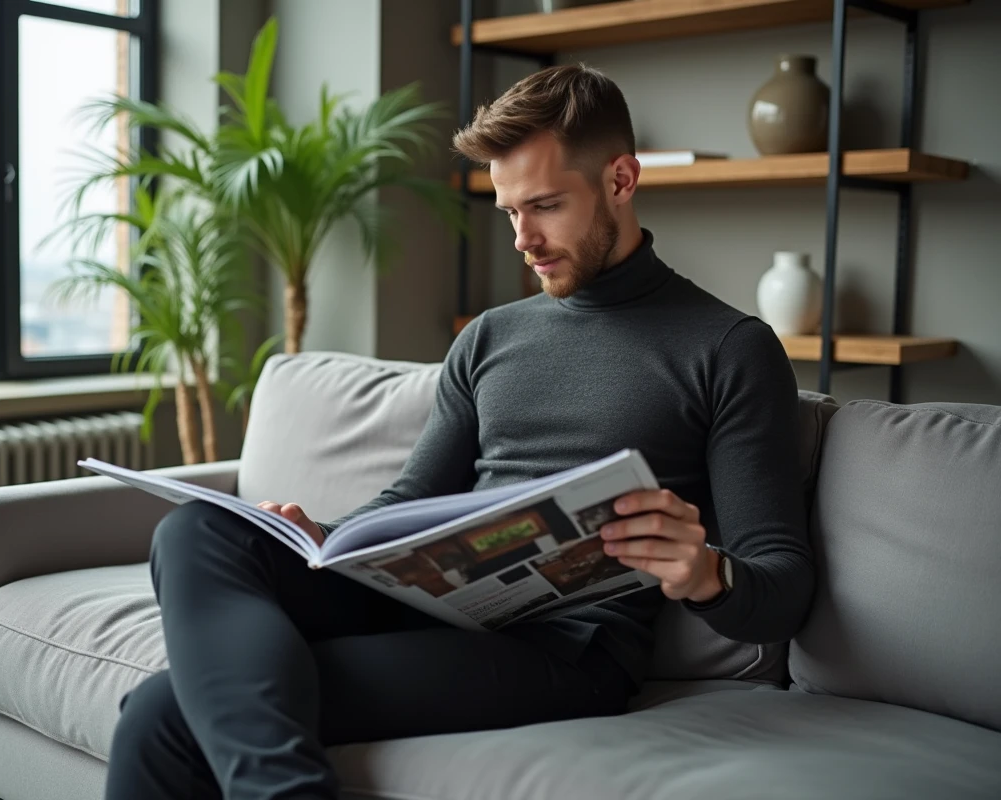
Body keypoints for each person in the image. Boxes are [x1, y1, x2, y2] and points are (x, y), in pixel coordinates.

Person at [104, 64, 815, 800]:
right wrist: (323, 535)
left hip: (567, 649)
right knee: (196, 531)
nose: (523, 239)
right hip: (436, 602)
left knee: (162, 714)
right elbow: (417, 495)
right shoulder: (489, 338)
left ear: (622, 180)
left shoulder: (728, 347)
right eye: (509, 211)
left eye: (544, 206)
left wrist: (704, 572)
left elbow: (783, 583)